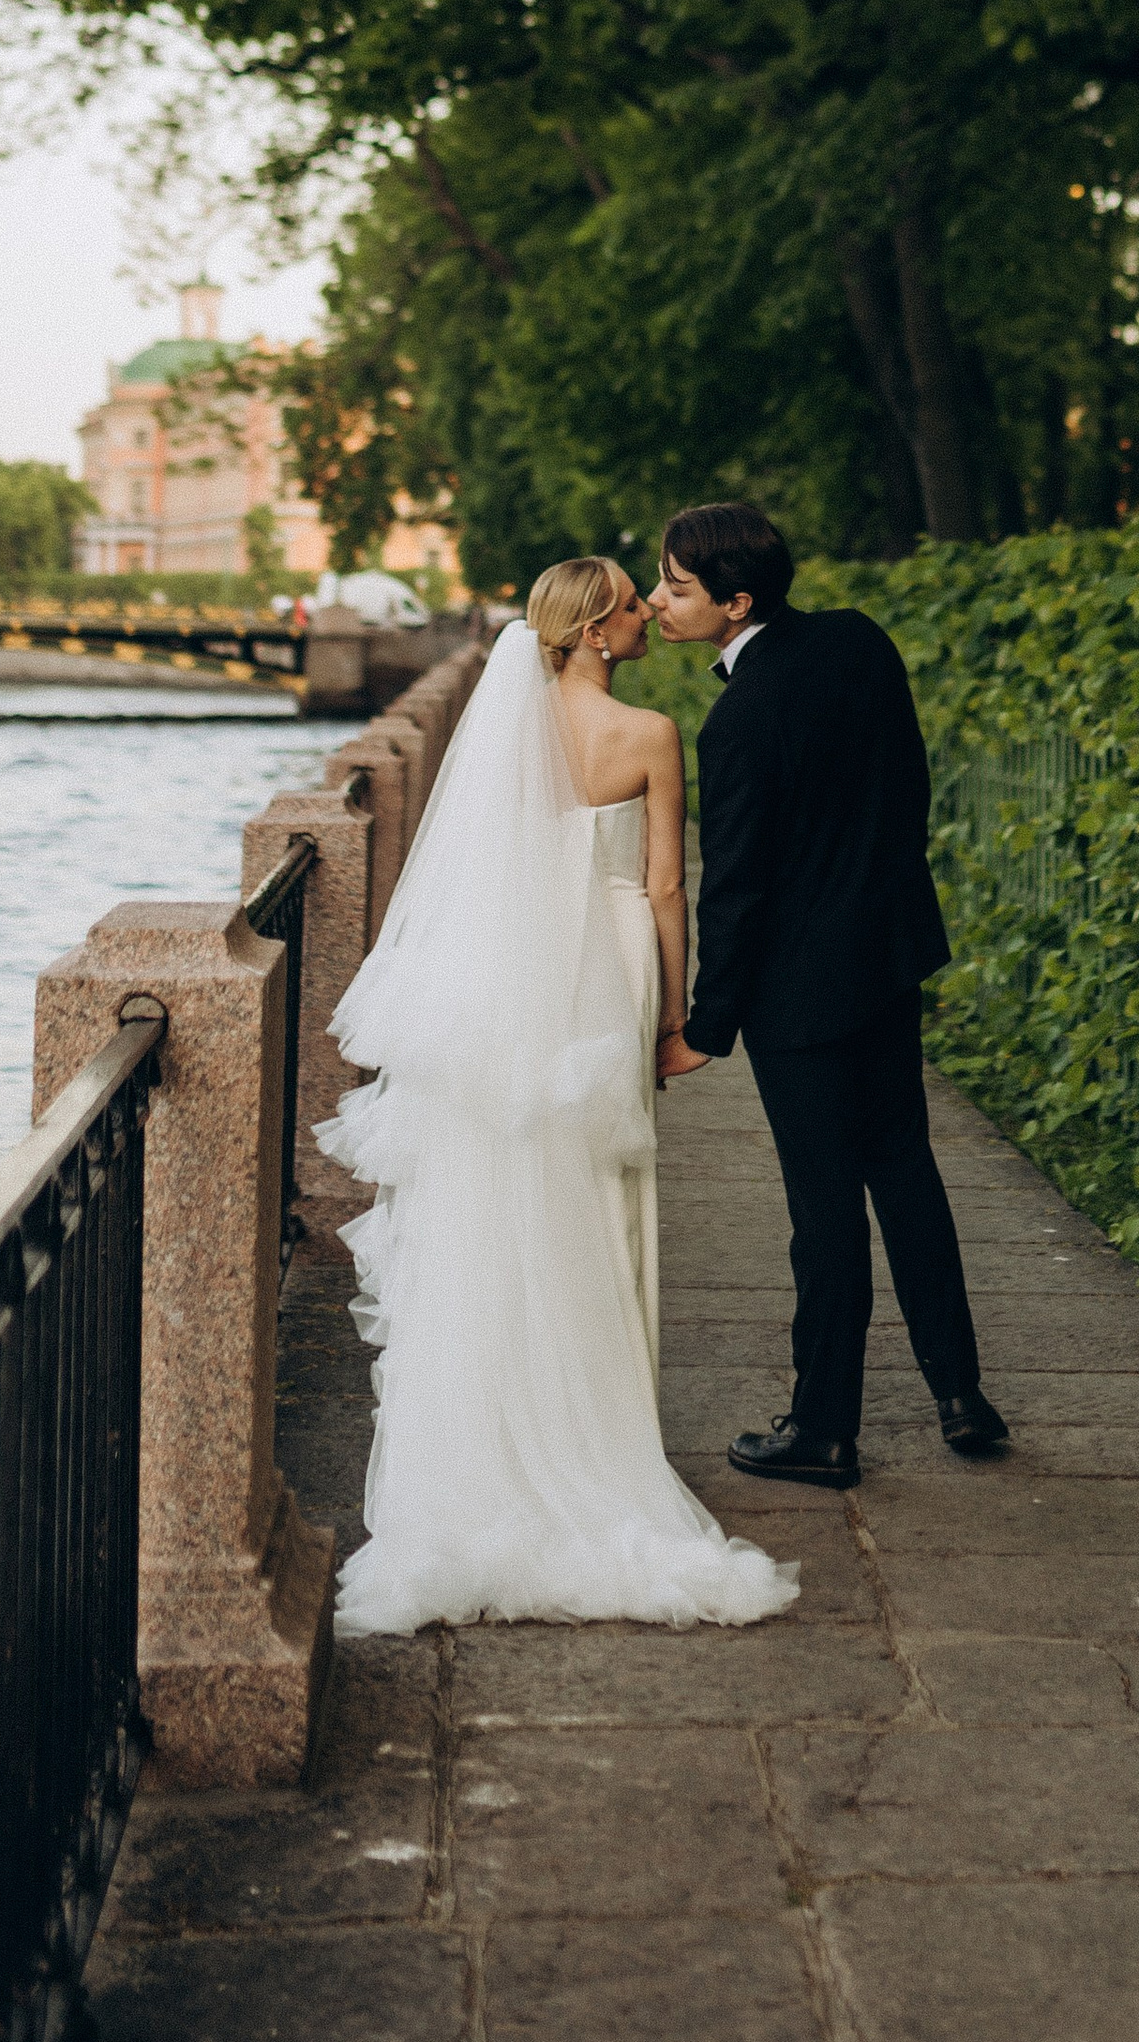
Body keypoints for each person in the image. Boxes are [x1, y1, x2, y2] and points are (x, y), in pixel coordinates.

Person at [314, 557, 797, 1634]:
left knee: (504, 1195)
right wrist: (675, 1023)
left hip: (522, 978)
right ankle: (600, 1438)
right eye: (630, 604)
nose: (644, 617)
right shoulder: (649, 736)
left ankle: (491, 1448)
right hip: (611, 969)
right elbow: (668, 887)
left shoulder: (507, 741)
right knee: (602, 1189)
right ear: (589, 630)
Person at [649, 499, 1005, 1490]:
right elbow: (909, 786)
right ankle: (960, 1394)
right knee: (904, 1170)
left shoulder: (735, 721)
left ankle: (822, 1428)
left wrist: (702, 1029)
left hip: (798, 997)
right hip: (887, 956)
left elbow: (738, 890)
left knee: (824, 1208)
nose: (657, 601)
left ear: (735, 601)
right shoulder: (860, 643)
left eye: (675, 587)